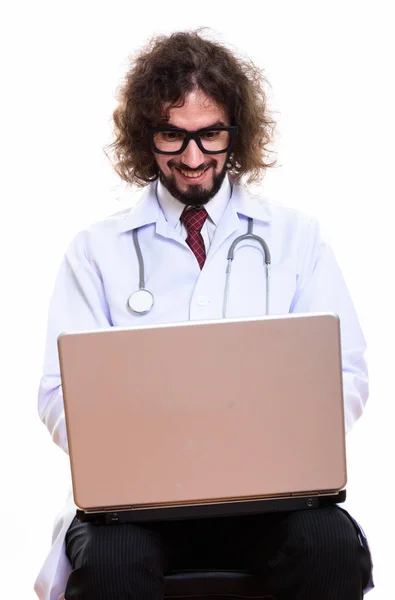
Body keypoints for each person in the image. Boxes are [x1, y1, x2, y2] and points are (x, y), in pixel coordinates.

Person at [35, 30, 374, 600]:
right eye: (173, 136)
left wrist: (272, 444)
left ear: (236, 133)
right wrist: (132, 447)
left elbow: (347, 376)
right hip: (136, 508)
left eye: (210, 135)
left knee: (330, 548)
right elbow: (56, 394)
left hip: (272, 500)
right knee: (113, 564)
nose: (193, 159)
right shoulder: (95, 250)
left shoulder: (297, 238)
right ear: (146, 138)